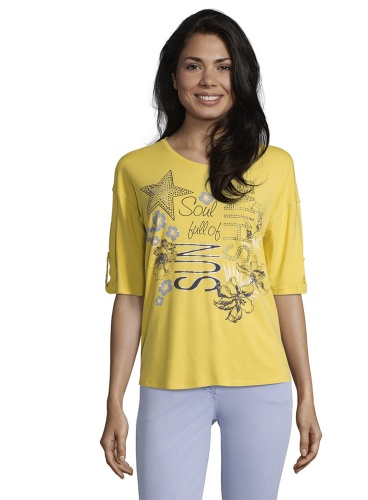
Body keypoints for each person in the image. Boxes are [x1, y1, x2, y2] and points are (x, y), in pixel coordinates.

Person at [100, 8, 322, 500]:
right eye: (193, 65)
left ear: (240, 77)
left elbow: (286, 287)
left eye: (223, 66)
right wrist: (114, 399)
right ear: (173, 77)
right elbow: (130, 294)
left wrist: (307, 392)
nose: (208, 80)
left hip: (261, 383)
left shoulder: (275, 166)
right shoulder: (136, 170)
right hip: (169, 382)